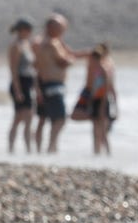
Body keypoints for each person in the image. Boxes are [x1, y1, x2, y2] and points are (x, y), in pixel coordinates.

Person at [33, 13, 87, 154]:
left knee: (43, 118)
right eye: (61, 29)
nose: (63, 32)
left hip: (43, 84)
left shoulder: (39, 42)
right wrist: (72, 60)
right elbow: (64, 61)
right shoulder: (52, 43)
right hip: (54, 85)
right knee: (60, 119)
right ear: (52, 27)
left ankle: (37, 152)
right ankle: (52, 147)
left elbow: (36, 65)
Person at [6, 17, 37, 154]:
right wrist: (18, 90)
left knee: (27, 117)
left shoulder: (26, 44)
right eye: (28, 30)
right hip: (20, 84)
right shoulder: (16, 46)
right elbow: (13, 69)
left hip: (28, 83)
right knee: (19, 118)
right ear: (22, 30)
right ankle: (13, 148)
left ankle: (28, 149)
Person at [84, 43, 118, 156]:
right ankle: (96, 154)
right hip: (95, 99)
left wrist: (104, 106)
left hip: (103, 101)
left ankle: (108, 155)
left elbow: (108, 88)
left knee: (103, 131)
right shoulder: (95, 70)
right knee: (95, 130)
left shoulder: (104, 69)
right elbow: (93, 87)